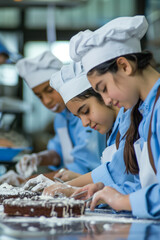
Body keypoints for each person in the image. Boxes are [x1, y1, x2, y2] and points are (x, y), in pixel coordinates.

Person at [68, 15, 160, 219]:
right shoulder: (146, 113)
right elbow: (146, 185)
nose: (107, 101)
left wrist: (121, 200)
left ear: (125, 66)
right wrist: (109, 193)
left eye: (104, 89)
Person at [38, 61, 137, 197]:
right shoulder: (113, 130)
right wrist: (77, 180)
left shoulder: (132, 121)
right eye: (78, 117)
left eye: (85, 111)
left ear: (104, 95)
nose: (84, 123)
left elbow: (119, 172)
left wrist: (71, 185)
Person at [15, 51, 106, 181]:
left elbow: (82, 168)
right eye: (39, 96)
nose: (46, 101)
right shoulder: (61, 117)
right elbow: (58, 152)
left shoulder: (89, 116)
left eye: (49, 90)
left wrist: (25, 180)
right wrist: (38, 158)